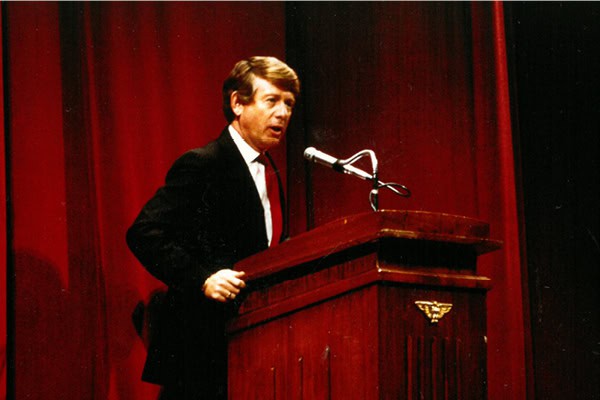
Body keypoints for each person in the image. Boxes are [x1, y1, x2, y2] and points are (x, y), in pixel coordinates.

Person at [126, 56, 300, 400]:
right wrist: (203, 278)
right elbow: (144, 232)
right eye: (271, 100)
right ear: (238, 103)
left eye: (289, 103)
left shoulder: (270, 170)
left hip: (253, 339)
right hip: (202, 347)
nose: (282, 113)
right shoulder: (204, 163)